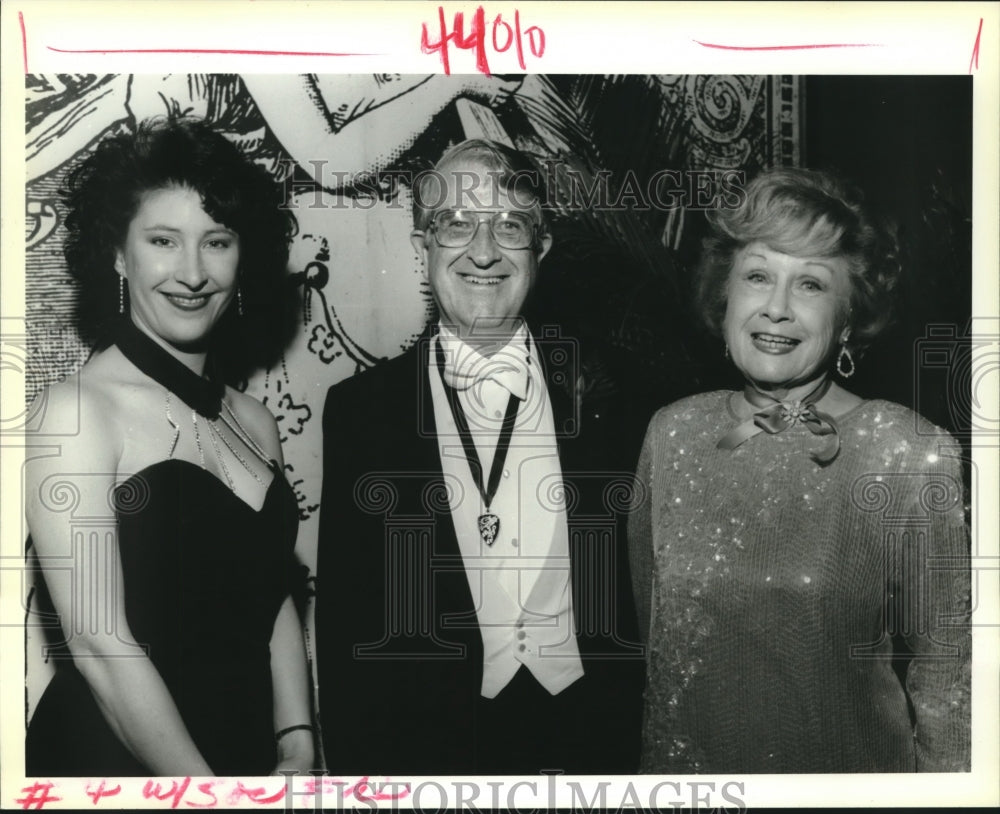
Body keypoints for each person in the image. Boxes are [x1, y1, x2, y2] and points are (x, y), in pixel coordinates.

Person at [315, 139, 645, 775]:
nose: (485, 252)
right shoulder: (361, 412)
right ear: (422, 248)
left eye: (510, 225)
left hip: (594, 747)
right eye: (457, 225)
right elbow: (346, 627)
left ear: (541, 248)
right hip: (434, 756)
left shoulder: (618, 392)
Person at [630, 167, 971, 773]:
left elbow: (951, 673)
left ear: (847, 318)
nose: (777, 309)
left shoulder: (907, 451)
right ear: (725, 295)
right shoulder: (672, 434)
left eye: (810, 284)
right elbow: (654, 646)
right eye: (758, 276)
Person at [24, 118, 314, 776]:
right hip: (118, 766)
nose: (192, 272)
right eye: (163, 241)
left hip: (243, 762)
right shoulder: (76, 412)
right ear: (119, 256)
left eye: (216, 241)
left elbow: (272, 598)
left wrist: (296, 740)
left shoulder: (255, 420)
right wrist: (203, 794)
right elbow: (100, 645)